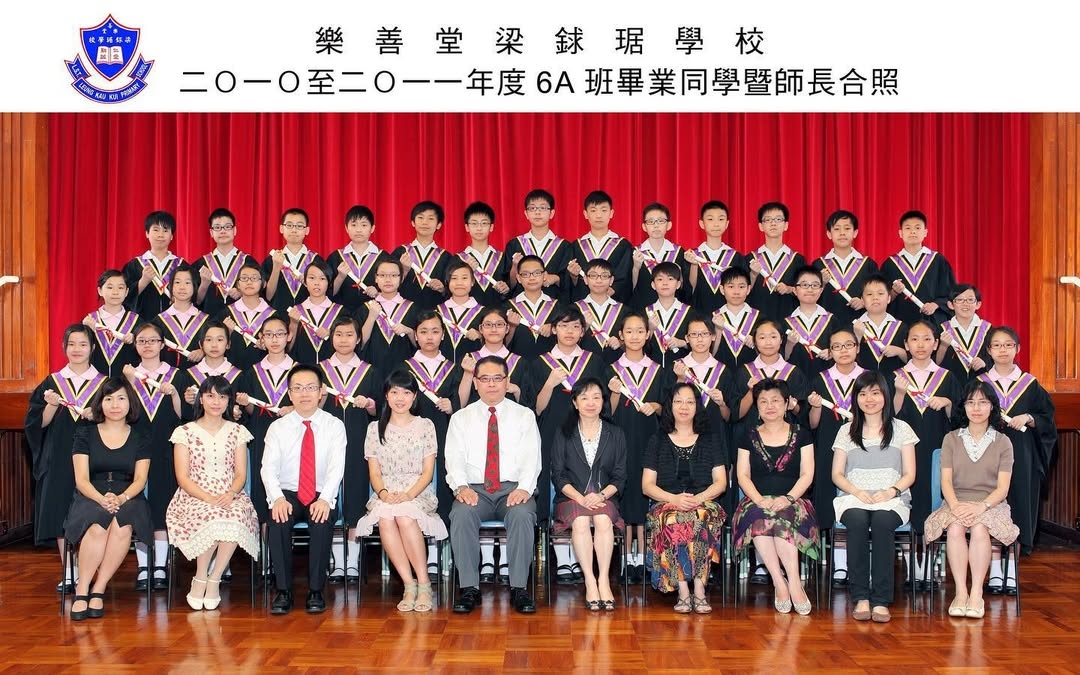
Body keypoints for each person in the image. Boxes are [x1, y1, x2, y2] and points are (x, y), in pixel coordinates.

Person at [446, 356, 542, 615]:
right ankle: (469, 588)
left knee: (522, 515)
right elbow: (453, 458)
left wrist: (524, 488)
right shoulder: (461, 418)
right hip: (475, 490)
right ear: (475, 382)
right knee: (461, 514)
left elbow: (532, 458)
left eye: (497, 378)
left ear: (507, 382)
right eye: (485, 379)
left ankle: (519, 588)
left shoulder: (524, 415)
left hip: (513, 488)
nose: (491, 384)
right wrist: (461, 487)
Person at [924, 379, 1019, 619]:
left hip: (991, 503)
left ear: (992, 406)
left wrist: (981, 507)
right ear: (963, 407)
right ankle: (960, 592)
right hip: (955, 501)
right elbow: (946, 481)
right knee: (955, 528)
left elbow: (1003, 488)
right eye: (971, 402)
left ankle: (976, 593)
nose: (976, 408)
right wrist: (956, 506)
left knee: (979, 528)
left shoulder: (1003, 442)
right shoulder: (951, 439)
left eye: (983, 402)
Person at [356, 369, 449, 612]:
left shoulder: (425, 425)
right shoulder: (374, 428)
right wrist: (384, 494)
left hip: (417, 491)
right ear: (386, 395)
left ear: (414, 396)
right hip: (386, 491)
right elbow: (375, 473)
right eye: (395, 392)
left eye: (406, 393)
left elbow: (428, 472)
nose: (400, 398)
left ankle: (424, 583)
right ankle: (409, 584)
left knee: (405, 516)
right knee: (386, 519)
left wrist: (409, 494)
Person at [63, 377, 153, 620]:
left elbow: (140, 479)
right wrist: (101, 499)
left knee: (122, 526)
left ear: (130, 403)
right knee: (98, 526)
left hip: (129, 493)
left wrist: (121, 498)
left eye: (121, 398)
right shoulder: (85, 433)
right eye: (109, 399)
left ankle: (99, 588)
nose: (115, 405)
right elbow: (81, 479)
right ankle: (82, 588)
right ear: (100, 404)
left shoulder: (141, 436)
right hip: (91, 491)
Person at [831, 370, 918, 623]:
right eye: (863, 394)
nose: (869, 399)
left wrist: (890, 491)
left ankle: (881, 600)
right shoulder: (846, 430)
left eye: (875, 393)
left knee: (881, 523)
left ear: (885, 396)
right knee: (857, 522)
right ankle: (861, 597)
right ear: (856, 399)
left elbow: (910, 474)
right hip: (854, 497)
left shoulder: (902, 429)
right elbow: (837, 474)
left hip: (892, 498)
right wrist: (857, 492)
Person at [166, 376, 259, 611]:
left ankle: (214, 577)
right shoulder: (184, 431)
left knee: (235, 515)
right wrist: (208, 498)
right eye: (210, 396)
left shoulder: (237, 431)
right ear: (201, 399)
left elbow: (241, 474)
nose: (216, 402)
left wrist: (231, 493)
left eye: (222, 396)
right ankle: (200, 576)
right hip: (194, 494)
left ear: (229, 401)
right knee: (212, 515)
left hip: (229, 492)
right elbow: (182, 477)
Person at [25, 324, 106, 592]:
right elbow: (37, 425)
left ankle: (89, 570)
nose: (77, 349)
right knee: (60, 510)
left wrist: (98, 415)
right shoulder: (52, 383)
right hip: (59, 456)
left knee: (92, 512)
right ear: (64, 348)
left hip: (96, 456)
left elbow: (123, 418)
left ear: (92, 348)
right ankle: (69, 571)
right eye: (71, 344)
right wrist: (50, 406)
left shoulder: (105, 384)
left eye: (83, 344)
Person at [261, 364, 347, 615]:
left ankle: (316, 590)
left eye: (310, 387)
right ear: (289, 394)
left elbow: (336, 468)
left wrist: (326, 499)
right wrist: (277, 499)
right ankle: (283, 590)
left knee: (320, 521)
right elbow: (268, 468)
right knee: (277, 519)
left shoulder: (334, 425)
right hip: (287, 492)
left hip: (321, 492)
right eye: (297, 388)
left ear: (321, 392)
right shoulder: (278, 427)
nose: (304, 393)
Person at [977, 326, 1056, 588]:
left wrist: (1030, 418)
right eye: (997, 345)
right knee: (991, 506)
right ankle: (994, 568)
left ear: (1017, 349)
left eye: (1008, 345)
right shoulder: (980, 383)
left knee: (1019, 505)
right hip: (986, 453)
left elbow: (1047, 418)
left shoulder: (1030, 384)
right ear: (989, 350)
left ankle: (1011, 567)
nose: (1003, 350)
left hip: (1022, 454)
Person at [732, 379, 818, 615]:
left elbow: (807, 474)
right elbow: (742, 475)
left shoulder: (802, 434)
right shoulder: (747, 435)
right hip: (756, 500)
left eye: (775, 401)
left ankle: (795, 582)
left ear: (787, 403)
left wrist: (788, 498)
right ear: (757, 407)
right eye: (763, 401)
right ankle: (780, 582)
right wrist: (759, 499)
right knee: (758, 516)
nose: (769, 406)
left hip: (795, 500)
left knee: (782, 517)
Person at [641, 383, 728, 613]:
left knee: (700, 517)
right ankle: (683, 591)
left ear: (697, 407)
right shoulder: (657, 439)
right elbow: (647, 486)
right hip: (666, 501)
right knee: (673, 519)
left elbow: (721, 482)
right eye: (678, 401)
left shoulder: (710, 439)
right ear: (670, 406)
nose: (684, 407)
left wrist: (698, 498)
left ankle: (699, 589)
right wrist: (674, 499)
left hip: (704, 501)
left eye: (690, 402)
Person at [550, 376, 627, 611]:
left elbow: (620, 476)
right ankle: (590, 581)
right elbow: (558, 475)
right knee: (581, 521)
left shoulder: (616, 433)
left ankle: (603, 579)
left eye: (596, 397)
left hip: (605, 495)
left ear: (603, 401)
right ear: (575, 403)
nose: (591, 403)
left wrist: (602, 495)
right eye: (584, 398)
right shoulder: (563, 432)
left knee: (603, 519)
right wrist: (580, 497)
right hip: (571, 496)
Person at [893, 320, 959, 586]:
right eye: (914, 339)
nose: (920, 344)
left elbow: (960, 419)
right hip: (902, 454)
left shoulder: (947, 377)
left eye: (927, 339)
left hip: (936, 452)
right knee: (906, 504)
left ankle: (930, 562)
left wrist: (948, 403)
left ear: (935, 343)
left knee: (933, 503)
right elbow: (887, 416)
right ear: (906, 345)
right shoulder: (896, 377)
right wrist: (899, 393)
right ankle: (911, 564)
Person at [121, 322, 183, 592]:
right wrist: (131, 382)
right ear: (135, 345)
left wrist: (175, 394)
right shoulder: (128, 375)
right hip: (133, 450)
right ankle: (143, 565)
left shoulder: (176, 375)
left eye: (153, 340)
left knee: (161, 507)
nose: (147, 345)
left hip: (166, 450)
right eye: (142, 341)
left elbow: (184, 415)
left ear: (162, 344)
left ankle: (160, 566)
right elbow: (123, 412)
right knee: (138, 508)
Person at [607, 311, 668, 584]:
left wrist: (656, 406)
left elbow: (667, 408)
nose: (634, 336)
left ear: (648, 334)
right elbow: (604, 412)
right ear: (621, 335)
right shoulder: (610, 369)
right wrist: (614, 393)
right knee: (623, 493)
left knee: (644, 495)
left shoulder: (659, 371)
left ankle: (643, 558)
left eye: (639, 331)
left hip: (649, 439)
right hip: (618, 440)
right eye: (628, 331)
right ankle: (624, 560)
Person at [319, 316, 381, 584]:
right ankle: (336, 562)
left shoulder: (370, 371)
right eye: (338, 334)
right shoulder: (320, 370)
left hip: (358, 439)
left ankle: (352, 562)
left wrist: (369, 404)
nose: (343, 340)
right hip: (325, 441)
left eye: (349, 335)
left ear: (358, 339)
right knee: (329, 496)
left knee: (355, 497)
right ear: (331, 337)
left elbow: (379, 411)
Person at [807, 328, 865, 584]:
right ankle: (840, 564)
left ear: (858, 348)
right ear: (829, 352)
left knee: (859, 500)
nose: (843, 351)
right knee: (833, 503)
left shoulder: (868, 379)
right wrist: (815, 407)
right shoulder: (820, 380)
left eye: (848, 345)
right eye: (837, 346)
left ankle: (862, 564)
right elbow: (812, 423)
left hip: (863, 447)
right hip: (828, 446)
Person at [880, 210, 957, 328]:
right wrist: (894, 292)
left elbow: (951, 292)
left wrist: (935, 305)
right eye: (908, 228)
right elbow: (881, 297)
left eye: (917, 228)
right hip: (900, 324)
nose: (913, 232)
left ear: (925, 232)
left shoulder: (938, 260)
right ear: (900, 233)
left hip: (932, 322)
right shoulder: (890, 264)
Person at [813, 209, 879, 329]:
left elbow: (879, 292)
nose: (842, 233)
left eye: (847, 228)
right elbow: (808, 297)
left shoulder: (868, 264)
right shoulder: (818, 265)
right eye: (837, 229)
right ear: (829, 234)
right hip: (827, 325)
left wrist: (864, 302)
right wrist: (821, 283)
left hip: (861, 325)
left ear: (855, 232)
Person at [567, 191, 633, 303]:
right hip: (583, 305)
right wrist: (573, 276)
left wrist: (609, 293)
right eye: (593, 210)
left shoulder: (623, 245)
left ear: (611, 213)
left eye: (603, 210)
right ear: (585, 214)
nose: (598, 215)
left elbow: (625, 276)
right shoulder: (576, 246)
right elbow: (570, 284)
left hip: (613, 304)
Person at [191, 207, 257, 318]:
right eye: (217, 227)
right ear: (211, 232)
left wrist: (243, 292)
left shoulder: (248, 262)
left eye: (227, 227)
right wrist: (204, 284)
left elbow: (260, 293)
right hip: (210, 322)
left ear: (234, 230)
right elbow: (195, 301)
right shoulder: (201, 264)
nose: (222, 231)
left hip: (241, 321)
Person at [746, 202, 807, 322]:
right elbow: (742, 291)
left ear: (786, 225)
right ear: (761, 226)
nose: (773, 223)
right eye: (768, 220)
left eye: (778, 219)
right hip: (757, 319)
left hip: (789, 319)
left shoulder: (797, 260)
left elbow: (805, 290)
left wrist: (789, 289)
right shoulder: (750, 259)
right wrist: (753, 275)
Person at [505, 189, 570, 300]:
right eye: (532, 208)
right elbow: (509, 284)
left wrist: (555, 278)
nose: (537, 212)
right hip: (521, 305)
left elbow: (569, 283)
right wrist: (515, 267)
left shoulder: (564, 246)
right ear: (526, 214)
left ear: (552, 213)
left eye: (543, 208)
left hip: (554, 305)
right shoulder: (515, 244)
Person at [686, 200, 747, 316]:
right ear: (702, 223)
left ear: (727, 223)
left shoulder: (736, 257)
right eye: (710, 219)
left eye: (721, 219)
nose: (716, 224)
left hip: (729, 317)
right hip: (698, 317)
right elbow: (689, 289)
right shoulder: (691, 255)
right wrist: (694, 264)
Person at [122, 210, 185, 321]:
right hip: (143, 323)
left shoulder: (181, 266)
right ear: (147, 233)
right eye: (156, 230)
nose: (160, 235)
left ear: (171, 236)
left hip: (175, 324)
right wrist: (143, 281)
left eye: (165, 230)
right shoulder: (134, 265)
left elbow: (194, 298)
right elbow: (123, 296)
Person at [263, 207, 324, 313]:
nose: (294, 230)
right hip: (278, 317)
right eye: (289, 225)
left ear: (307, 230)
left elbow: (323, 292)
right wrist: (276, 268)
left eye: (299, 226)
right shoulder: (272, 260)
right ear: (281, 228)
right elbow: (268, 296)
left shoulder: (316, 260)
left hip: (310, 315)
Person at [360, 258, 418, 370]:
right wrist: (371, 318)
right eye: (382, 275)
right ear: (376, 278)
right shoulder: (365, 308)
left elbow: (420, 345)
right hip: (372, 369)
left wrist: (409, 331)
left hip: (404, 371)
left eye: (393, 275)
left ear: (401, 278)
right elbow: (359, 343)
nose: (388, 279)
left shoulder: (413, 309)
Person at [392, 200, 450, 310]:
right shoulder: (400, 252)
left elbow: (452, 289)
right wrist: (404, 270)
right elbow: (387, 284)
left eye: (431, 218)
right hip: (403, 312)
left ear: (438, 225)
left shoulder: (446, 257)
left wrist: (442, 288)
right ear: (413, 222)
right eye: (420, 217)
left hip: (435, 313)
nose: (425, 222)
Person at [286, 259, 347, 366]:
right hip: (303, 370)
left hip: (333, 370)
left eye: (322, 278)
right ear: (305, 282)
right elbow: (288, 347)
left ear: (329, 282)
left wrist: (331, 333)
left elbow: (350, 342)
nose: (317, 283)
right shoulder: (295, 311)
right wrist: (293, 324)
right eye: (312, 278)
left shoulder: (341, 312)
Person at [631, 202, 689, 310]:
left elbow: (684, 286)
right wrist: (636, 267)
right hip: (643, 310)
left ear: (669, 225)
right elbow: (630, 287)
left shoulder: (678, 252)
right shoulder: (635, 252)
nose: (656, 225)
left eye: (661, 221)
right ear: (644, 226)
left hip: (673, 311)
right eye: (651, 221)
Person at [327, 204, 385, 311]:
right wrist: (340, 277)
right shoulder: (335, 258)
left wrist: (378, 292)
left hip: (374, 314)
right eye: (353, 225)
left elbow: (393, 290)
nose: (358, 230)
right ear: (346, 228)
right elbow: (327, 293)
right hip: (343, 315)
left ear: (372, 228)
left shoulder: (384, 258)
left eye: (364, 225)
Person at [219, 260, 275, 370]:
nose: (249, 282)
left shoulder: (273, 316)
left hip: (262, 374)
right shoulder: (226, 313)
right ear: (238, 285)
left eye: (254, 278)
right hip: (231, 373)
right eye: (244, 278)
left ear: (263, 284)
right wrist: (227, 333)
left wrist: (269, 345)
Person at [783, 265, 837, 378]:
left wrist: (832, 352)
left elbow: (842, 350)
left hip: (827, 380)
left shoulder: (832, 320)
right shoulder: (786, 323)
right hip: (794, 379)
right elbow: (783, 357)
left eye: (815, 285)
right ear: (795, 290)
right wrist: (790, 344)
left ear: (821, 290)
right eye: (804, 285)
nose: (810, 289)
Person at [152, 264, 208, 372]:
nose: (182, 287)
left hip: (198, 377)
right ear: (171, 286)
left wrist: (204, 351)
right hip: (167, 377)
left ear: (195, 286)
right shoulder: (157, 322)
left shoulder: (206, 321)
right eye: (177, 282)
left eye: (187, 283)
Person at [83, 269, 138, 377]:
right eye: (110, 287)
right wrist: (87, 332)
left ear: (127, 292)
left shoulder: (137, 321)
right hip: (95, 380)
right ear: (100, 290)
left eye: (120, 288)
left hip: (126, 381)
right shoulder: (89, 320)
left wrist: (137, 340)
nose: (115, 292)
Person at [506, 254, 560, 360]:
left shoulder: (558, 307)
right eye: (525, 274)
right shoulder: (507, 307)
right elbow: (502, 345)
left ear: (545, 276)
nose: (531, 278)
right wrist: (511, 327)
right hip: (517, 364)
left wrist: (555, 328)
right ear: (518, 278)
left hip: (550, 364)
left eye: (537, 273)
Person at [459, 201, 511, 308]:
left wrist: (506, 289)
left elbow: (510, 289)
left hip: (497, 314)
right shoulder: (458, 259)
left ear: (491, 227)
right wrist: (466, 271)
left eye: (484, 223)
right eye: (474, 223)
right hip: (467, 314)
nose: (479, 228)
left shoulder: (502, 258)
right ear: (467, 227)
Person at [853, 274, 908, 374]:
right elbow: (847, 359)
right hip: (863, 381)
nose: (875, 297)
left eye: (880, 293)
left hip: (895, 381)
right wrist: (857, 337)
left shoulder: (902, 328)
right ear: (862, 300)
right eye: (869, 294)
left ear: (889, 298)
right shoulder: (854, 327)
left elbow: (912, 359)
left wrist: (899, 351)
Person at [936, 284, 991, 381]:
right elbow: (937, 363)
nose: (965, 303)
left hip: (981, 384)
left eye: (970, 299)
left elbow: (996, 358)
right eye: (960, 299)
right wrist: (943, 346)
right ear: (951, 305)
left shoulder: (988, 329)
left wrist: (985, 363)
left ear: (978, 304)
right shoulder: (942, 329)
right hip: (951, 383)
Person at [576, 258, 626, 364]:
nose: (599, 280)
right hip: (583, 366)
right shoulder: (574, 309)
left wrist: (621, 343)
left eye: (604, 276)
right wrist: (584, 327)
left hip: (617, 366)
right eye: (593, 276)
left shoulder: (625, 311)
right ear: (585, 279)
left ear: (611, 280)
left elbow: (634, 343)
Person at [643, 262, 691, 370]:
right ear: (653, 285)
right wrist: (650, 330)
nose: (665, 283)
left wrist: (683, 343)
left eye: (670, 279)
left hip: (680, 371)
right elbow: (638, 346)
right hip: (651, 372)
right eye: (660, 279)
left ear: (678, 284)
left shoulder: (690, 313)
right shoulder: (644, 313)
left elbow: (700, 343)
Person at [711, 266, 759, 370]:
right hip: (721, 374)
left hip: (752, 373)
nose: (736, 292)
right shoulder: (713, 317)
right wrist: (718, 330)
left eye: (741, 287)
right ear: (722, 289)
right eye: (731, 286)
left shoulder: (760, 319)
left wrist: (757, 343)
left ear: (748, 289)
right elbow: (710, 354)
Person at [436, 258, 483, 363]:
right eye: (454, 278)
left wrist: (480, 336)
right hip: (442, 368)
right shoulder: (436, 312)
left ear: (472, 282)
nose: (459, 283)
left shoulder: (484, 313)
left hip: (472, 367)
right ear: (447, 282)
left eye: (464, 278)